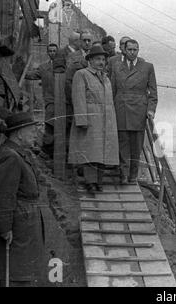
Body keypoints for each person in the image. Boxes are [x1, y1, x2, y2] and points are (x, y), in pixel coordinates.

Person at [0, 112, 44, 287]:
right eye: (32, 130)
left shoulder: (16, 153)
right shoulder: (10, 156)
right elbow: (3, 195)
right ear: (19, 133)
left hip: (23, 222)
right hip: (17, 226)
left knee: (22, 273)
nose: (36, 134)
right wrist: (4, 228)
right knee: (14, 274)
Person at [68, 45, 119, 194]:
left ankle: (99, 181)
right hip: (91, 119)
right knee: (90, 151)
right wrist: (82, 120)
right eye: (97, 59)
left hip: (106, 120)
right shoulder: (81, 74)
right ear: (90, 60)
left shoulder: (106, 78)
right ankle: (90, 182)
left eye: (103, 59)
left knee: (102, 152)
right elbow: (78, 98)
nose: (101, 62)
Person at [110, 39, 158, 184]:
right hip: (121, 108)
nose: (132, 52)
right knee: (122, 142)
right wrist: (111, 109)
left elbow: (153, 93)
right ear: (124, 49)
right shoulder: (117, 66)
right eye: (129, 49)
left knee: (136, 144)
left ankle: (133, 175)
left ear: (138, 50)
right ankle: (123, 174)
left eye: (135, 50)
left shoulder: (147, 67)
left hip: (139, 109)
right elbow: (112, 90)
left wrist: (150, 110)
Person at [25, 43, 58, 157]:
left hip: (62, 101)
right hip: (49, 100)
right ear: (47, 53)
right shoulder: (44, 67)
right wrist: (21, 71)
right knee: (49, 125)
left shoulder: (64, 66)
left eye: (54, 51)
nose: (52, 53)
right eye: (50, 51)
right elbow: (32, 75)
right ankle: (48, 151)